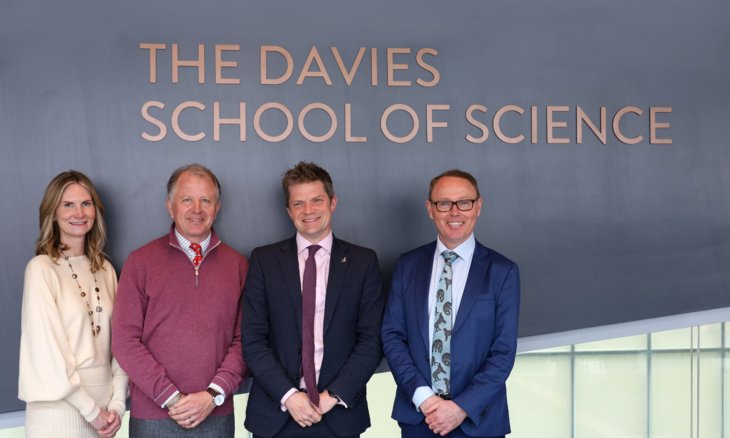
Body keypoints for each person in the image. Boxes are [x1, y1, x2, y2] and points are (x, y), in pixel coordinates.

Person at [242, 162, 384, 438]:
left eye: (317, 200)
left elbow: (371, 339)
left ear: (332, 202)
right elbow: (252, 338)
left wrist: (333, 396)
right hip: (277, 414)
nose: (308, 211)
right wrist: (289, 396)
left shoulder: (363, 262)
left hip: (338, 415)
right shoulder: (264, 260)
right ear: (288, 210)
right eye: (298, 204)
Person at [381, 169, 521, 438]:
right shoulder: (407, 266)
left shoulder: (503, 271)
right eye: (444, 203)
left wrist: (460, 408)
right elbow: (392, 336)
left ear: (478, 206)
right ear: (430, 209)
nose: (454, 212)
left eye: (464, 202)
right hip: (420, 418)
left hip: (479, 420)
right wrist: (424, 397)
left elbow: (503, 352)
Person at [111, 163, 247, 437]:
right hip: (154, 417)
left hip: (215, 413)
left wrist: (212, 395)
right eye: (187, 200)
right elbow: (124, 340)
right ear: (170, 206)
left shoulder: (238, 265)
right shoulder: (141, 262)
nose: (196, 209)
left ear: (217, 207)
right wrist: (170, 397)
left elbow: (246, 340)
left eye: (205, 200)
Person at [18, 170, 127, 438]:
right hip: (57, 416)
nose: (79, 212)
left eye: (86, 203)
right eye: (68, 205)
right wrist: (91, 412)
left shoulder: (105, 269)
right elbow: (46, 353)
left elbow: (123, 342)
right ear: (53, 213)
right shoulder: (41, 269)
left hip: (105, 415)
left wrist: (117, 405)